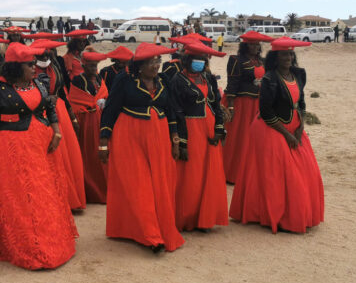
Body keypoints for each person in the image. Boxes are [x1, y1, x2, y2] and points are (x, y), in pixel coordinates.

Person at [0, 43, 77, 270]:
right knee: (21, 198)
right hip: (9, 149)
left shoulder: (39, 82)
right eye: (29, 65)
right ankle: (31, 247)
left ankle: (50, 240)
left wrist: (56, 130)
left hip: (40, 148)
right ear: (15, 67)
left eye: (34, 64)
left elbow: (49, 108)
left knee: (44, 194)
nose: (34, 68)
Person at [230, 37, 324, 233]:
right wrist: (286, 135)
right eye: (283, 54)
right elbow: (266, 112)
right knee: (280, 175)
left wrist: (300, 128)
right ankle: (277, 216)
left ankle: (296, 213)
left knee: (307, 171)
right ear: (275, 57)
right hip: (270, 129)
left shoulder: (298, 75)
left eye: (290, 54)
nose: (288, 58)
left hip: (295, 128)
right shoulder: (269, 79)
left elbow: (302, 103)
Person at [99, 43, 184, 253]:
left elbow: (171, 110)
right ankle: (151, 235)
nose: (156, 66)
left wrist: (175, 139)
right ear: (140, 65)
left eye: (158, 61)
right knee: (139, 186)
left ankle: (159, 227)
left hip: (160, 140)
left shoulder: (163, 80)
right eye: (151, 62)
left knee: (159, 185)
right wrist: (103, 142)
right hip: (129, 138)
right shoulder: (124, 80)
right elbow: (110, 110)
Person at [170, 40, 229, 232]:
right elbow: (177, 111)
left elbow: (216, 104)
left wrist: (220, 128)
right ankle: (188, 217)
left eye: (202, 60)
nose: (199, 62)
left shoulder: (208, 78)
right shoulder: (177, 80)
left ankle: (206, 216)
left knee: (209, 172)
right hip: (191, 129)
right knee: (191, 175)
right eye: (196, 59)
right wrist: (183, 142)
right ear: (186, 60)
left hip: (209, 129)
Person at [29, 36, 86, 211]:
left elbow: (62, 92)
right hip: (38, 114)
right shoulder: (27, 69)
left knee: (66, 155)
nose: (47, 56)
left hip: (59, 111)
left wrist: (72, 116)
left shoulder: (55, 65)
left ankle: (66, 197)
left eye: (49, 53)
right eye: (43, 54)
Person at [223, 30, 271, 183]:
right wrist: (231, 106)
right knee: (240, 138)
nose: (255, 47)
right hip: (242, 104)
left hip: (258, 104)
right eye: (251, 44)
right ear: (245, 45)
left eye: (257, 45)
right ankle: (233, 174)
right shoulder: (236, 60)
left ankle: (251, 174)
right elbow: (232, 83)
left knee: (256, 139)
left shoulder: (262, 61)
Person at [68, 50, 110, 204]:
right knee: (89, 154)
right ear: (84, 66)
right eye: (91, 66)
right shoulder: (78, 80)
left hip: (100, 120)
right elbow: (75, 100)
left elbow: (104, 94)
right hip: (85, 121)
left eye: (96, 65)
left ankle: (103, 188)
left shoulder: (99, 78)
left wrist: (104, 102)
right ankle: (91, 191)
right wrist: (92, 105)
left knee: (102, 154)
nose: (94, 68)